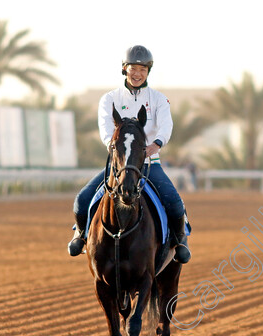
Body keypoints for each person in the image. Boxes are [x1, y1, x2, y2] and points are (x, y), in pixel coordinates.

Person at [67, 45, 191, 263]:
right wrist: (111, 144)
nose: (137, 74)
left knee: (174, 201)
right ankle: (81, 234)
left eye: (142, 69)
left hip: (149, 163)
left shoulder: (159, 99)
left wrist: (157, 144)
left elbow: (166, 125)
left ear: (148, 72)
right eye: (133, 68)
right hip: (119, 163)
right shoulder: (109, 99)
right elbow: (106, 127)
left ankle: (180, 241)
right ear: (124, 69)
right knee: (82, 200)